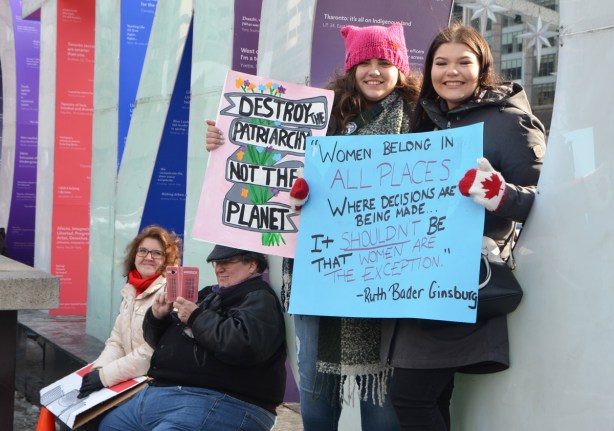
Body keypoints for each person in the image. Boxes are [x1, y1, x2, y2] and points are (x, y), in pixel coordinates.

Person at [207, 22, 420, 431]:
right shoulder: (322, 116)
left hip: (386, 283)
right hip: (319, 275)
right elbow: (264, 153)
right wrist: (224, 139)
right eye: (365, 62)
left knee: (384, 405)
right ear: (350, 67)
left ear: (400, 68)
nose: (374, 71)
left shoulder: (419, 118)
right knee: (317, 400)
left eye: (384, 62)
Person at [380, 22, 547, 430]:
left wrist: (501, 194)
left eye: (463, 62)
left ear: (482, 67)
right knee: (431, 398)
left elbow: (550, 201)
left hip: (465, 283)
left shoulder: (509, 122)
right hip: (420, 281)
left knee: (409, 398)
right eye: (441, 62)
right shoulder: (428, 122)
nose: (451, 71)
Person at [99, 245, 287, 431]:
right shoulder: (210, 293)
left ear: (253, 264)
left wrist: (196, 317)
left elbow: (244, 345)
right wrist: (157, 317)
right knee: (109, 425)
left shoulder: (259, 297)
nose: (219, 268)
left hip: (218, 400)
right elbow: (159, 343)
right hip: (162, 394)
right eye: (216, 263)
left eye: (227, 262)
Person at [78, 225, 182, 399]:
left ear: (167, 260)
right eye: (143, 251)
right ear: (134, 255)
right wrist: (98, 370)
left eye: (157, 253)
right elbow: (117, 341)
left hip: (157, 387)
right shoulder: (131, 291)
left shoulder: (170, 295)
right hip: (130, 380)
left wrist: (105, 377)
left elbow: (153, 351)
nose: (148, 257)